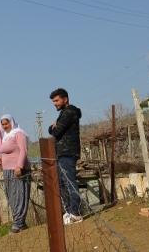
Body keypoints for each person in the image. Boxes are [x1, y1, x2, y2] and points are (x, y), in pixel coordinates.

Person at [48, 88, 83, 225]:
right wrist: (53, 128)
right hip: (62, 153)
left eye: (56, 100)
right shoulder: (64, 113)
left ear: (65, 99)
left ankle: (75, 213)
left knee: (69, 182)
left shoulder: (69, 112)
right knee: (62, 183)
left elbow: (56, 131)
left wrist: (53, 128)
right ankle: (69, 211)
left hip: (68, 152)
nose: (54, 103)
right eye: (53, 101)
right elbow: (53, 129)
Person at [0, 114, 31, 234]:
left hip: (18, 170)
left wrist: (19, 166)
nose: (5, 126)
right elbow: (7, 151)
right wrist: (1, 158)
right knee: (11, 196)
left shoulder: (19, 134)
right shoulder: (6, 136)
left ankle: (17, 224)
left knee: (19, 196)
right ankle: (21, 223)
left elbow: (23, 151)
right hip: (7, 171)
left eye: (7, 123)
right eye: (3, 124)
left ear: (12, 122)